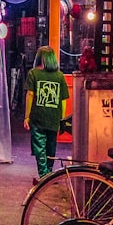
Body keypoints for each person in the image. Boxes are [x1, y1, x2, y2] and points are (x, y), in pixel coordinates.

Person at [23, 45, 70, 180]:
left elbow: (30, 95)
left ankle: (44, 175)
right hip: (54, 117)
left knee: (39, 147)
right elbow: (63, 100)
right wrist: (62, 118)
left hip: (38, 116)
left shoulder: (33, 73)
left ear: (39, 58)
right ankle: (48, 174)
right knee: (51, 146)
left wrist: (27, 116)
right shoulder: (60, 76)